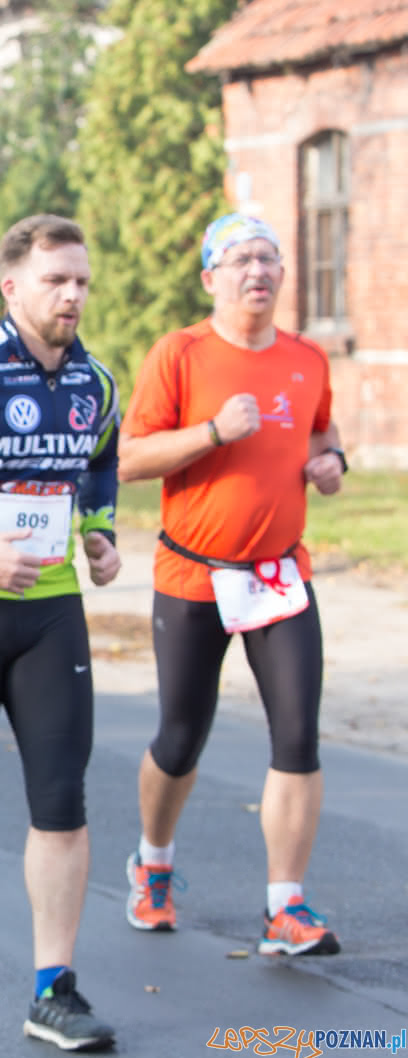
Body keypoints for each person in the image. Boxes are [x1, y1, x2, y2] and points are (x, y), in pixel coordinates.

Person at [118, 213, 345, 956]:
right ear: (211, 277)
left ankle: (287, 904)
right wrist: (214, 431)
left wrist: (330, 462)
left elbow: (322, 430)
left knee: (299, 737)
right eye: (242, 258)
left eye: (270, 257)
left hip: (281, 574)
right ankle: (153, 864)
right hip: (194, 574)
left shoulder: (308, 357)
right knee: (182, 738)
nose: (259, 269)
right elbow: (131, 458)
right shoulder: (180, 352)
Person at [0, 215, 120, 1050]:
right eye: (57, 280)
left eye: (81, 279)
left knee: (61, 797)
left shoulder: (98, 380)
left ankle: (55, 986)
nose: (74, 294)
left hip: (53, 606)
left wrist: (101, 527)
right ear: (12, 286)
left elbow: (100, 457)